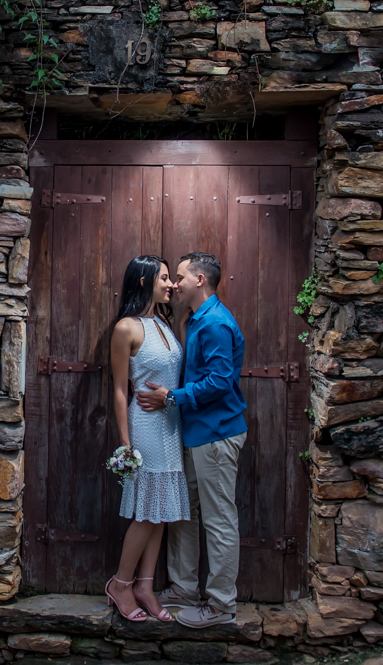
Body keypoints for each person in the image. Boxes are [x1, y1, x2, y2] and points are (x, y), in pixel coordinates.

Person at [137, 251, 246, 629]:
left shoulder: (215, 323)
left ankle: (220, 606)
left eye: (180, 277)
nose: (174, 284)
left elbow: (219, 383)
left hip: (217, 434)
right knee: (186, 512)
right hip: (198, 433)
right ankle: (184, 588)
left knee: (218, 520)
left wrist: (171, 397)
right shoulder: (197, 319)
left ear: (200, 280)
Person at [104, 255, 191, 623]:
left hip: (171, 426)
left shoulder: (164, 325)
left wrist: (184, 322)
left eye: (172, 279)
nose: (171, 284)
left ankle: (145, 585)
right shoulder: (126, 327)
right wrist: (126, 443)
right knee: (148, 512)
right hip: (146, 428)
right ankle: (121, 584)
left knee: (162, 512)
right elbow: (121, 391)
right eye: (165, 278)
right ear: (144, 281)